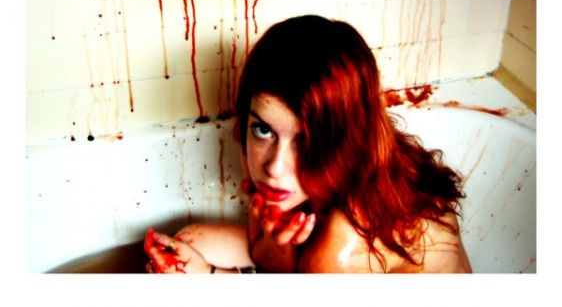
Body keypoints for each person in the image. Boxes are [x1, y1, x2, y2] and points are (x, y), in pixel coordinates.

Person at [144, 15, 472, 273]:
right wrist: (275, 250)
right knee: (190, 243)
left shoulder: (341, 244)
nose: (274, 167)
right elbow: (267, 258)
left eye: (305, 142)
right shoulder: (334, 166)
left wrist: (210, 276)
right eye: (263, 129)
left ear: (344, 138)